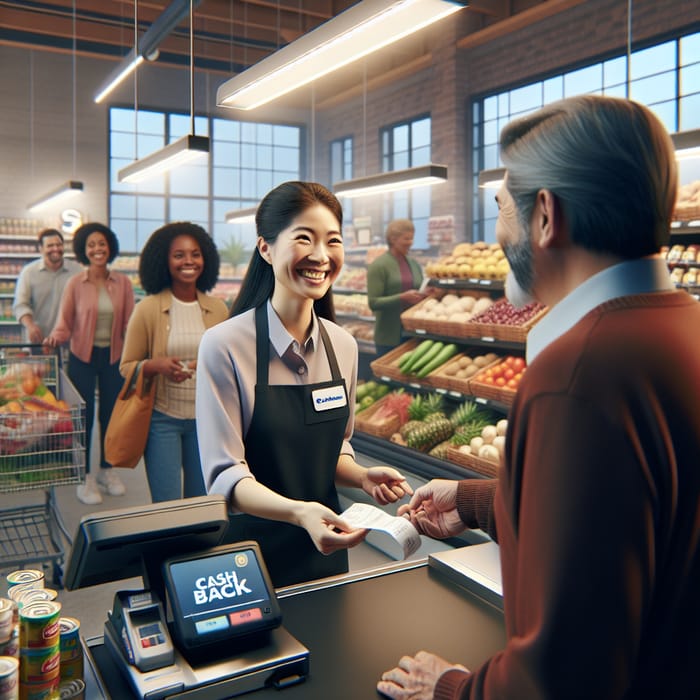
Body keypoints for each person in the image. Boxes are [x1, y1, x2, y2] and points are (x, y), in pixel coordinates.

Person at [378, 95, 700, 699]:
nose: (499, 230)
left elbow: (566, 676)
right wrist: (481, 503)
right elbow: (631, 525)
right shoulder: (683, 330)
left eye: (502, 206)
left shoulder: (577, 376)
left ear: (545, 216)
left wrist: (448, 688)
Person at [196, 181, 413, 588]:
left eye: (333, 241)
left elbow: (331, 449)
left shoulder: (343, 346)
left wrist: (360, 476)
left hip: (326, 548)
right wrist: (300, 513)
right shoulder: (224, 346)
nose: (321, 255)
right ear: (265, 248)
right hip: (247, 558)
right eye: (303, 239)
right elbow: (226, 475)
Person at [120, 222, 228, 503]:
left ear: (206, 258)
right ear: (164, 261)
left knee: (201, 502)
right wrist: (157, 366)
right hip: (162, 420)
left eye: (195, 254)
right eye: (178, 255)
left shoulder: (218, 309)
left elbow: (226, 363)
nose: (188, 261)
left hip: (205, 421)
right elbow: (127, 365)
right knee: (167, 504)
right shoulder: (147, 309)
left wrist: (200, 366)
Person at [45, 222, 135, 505]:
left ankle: (107, 471)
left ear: (110, 247)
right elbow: (65, 323)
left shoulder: (123, 283)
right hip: (82, 358)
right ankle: (85, 477)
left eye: (102, 244)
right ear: (85, 251)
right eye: (91, 245)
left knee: (111, 416)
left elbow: (131, 324)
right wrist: (54, 338)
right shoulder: (75, 283)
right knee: (83, 419)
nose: (97, 249)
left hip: (113, 358)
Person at [367, 218, 427, 357]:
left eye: (412, 239)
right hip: (389, 337)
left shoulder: (414, 264)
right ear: (393, 239)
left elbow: (418, 290)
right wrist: (402, 298)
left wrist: (426, 293)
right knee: (390, 377)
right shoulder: (379, 266)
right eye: (406, 239)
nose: (410, 243)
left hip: (413, 334)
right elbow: (373, 302)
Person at [12, 228, 81, 344]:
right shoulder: (29, 272)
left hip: (69, 341)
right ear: (41, 248)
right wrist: (30, 326)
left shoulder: (76, 271)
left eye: (59, 245)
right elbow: (20, 305)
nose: (55, 249)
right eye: (50, 245)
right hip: (38, 339)